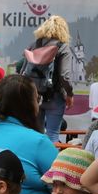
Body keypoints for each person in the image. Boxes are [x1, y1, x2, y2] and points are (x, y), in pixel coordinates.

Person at [27, 14, 76, 142]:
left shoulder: (35, 44)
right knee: (53, 134)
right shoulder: (62, 47)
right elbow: (65, 76)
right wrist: (69, 94)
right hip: (55, 96)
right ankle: (51, 162)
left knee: (36, 135)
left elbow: (23, 70)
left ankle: (37, 161)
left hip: (35, 96)